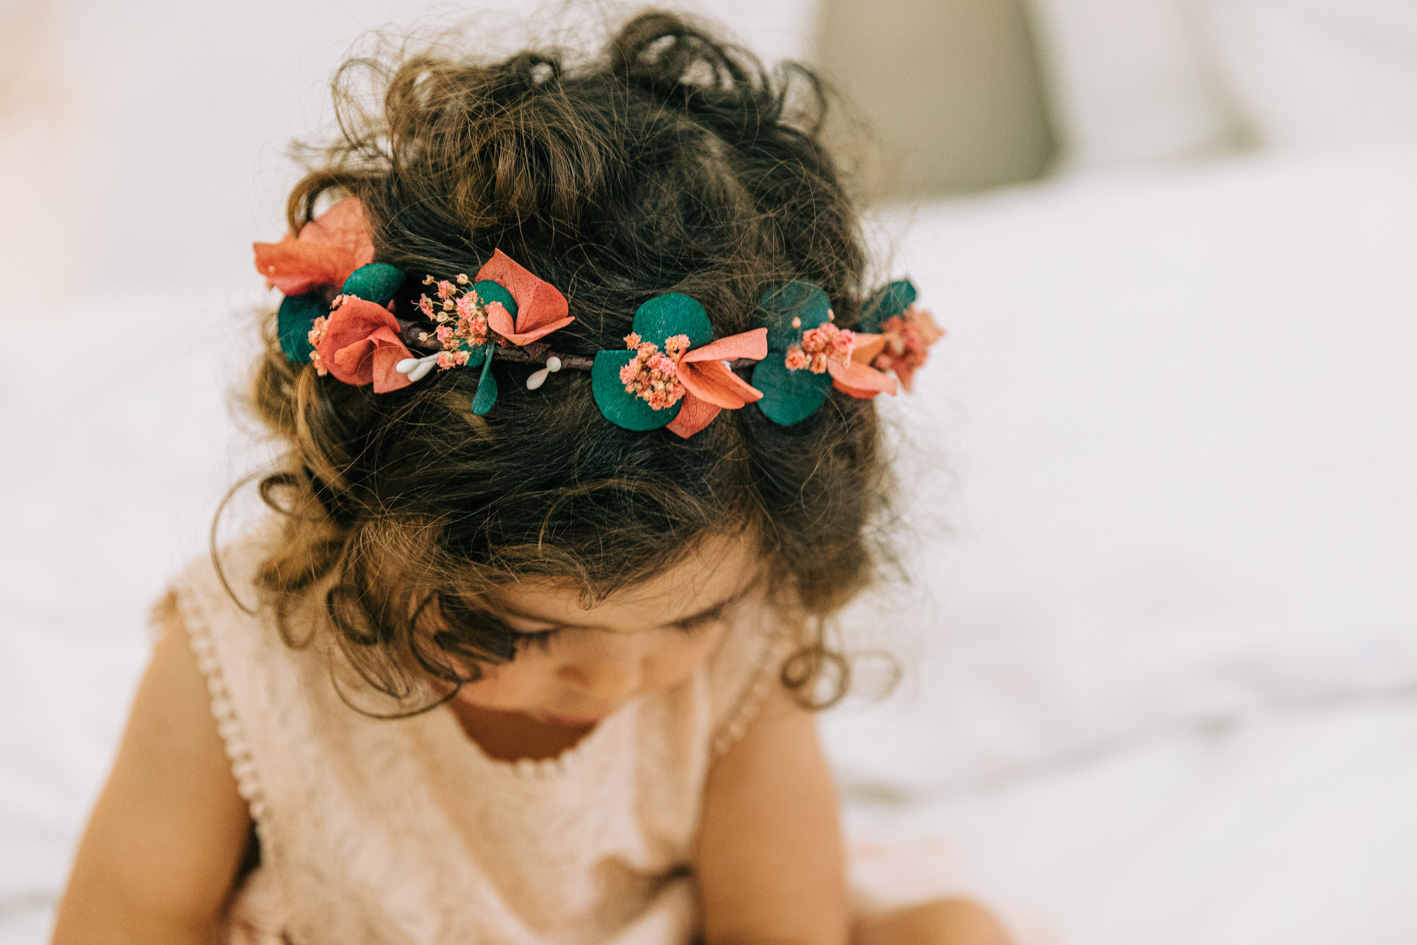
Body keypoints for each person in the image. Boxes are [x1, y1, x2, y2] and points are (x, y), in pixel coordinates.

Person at [51, 11, 1013, 945]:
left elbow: (774, 926)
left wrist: (698, 632)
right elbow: (128, 923)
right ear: (371, 517)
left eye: (688, 619)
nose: (615, 676)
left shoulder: (738, 647)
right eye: (526, 628)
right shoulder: (247, 650)